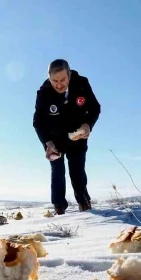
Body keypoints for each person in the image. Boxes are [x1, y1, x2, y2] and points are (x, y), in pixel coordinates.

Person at [32, 59, 101, 214]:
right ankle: (59, 208)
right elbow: (37, 122)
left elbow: (95, 108)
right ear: (49, 78)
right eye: (54, 80)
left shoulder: (82, 84)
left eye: (63, 79)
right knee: (57, 171)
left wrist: (88, 125)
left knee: (77, 169)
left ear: (69, 75)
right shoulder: (43, 93)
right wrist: (47, 143)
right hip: (54, 138)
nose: (59, 84)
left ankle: (84, 202)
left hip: (78, 134)